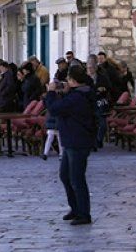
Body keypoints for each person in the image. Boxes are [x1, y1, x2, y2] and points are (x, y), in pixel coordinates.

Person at [45, 65, 95, 225]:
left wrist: (51, 92)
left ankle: (84, 213)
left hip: (78, 140)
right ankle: (75, 208)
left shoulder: (78, 97)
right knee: (65, 175)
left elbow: (54, 109)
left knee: (77, 178)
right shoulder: (76, 94)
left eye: (67, 79)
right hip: (71, 140)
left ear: (73, 80)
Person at [85, 61, 109, 149]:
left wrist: (104, 89)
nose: (90, 70)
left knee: (102, 123)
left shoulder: (102, 78)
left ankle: (99, 140)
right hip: (89, 104)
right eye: (88, 68)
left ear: (95, 69)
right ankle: (94, 143)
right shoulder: (85, 79)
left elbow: (109, 87)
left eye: (91, 68)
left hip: (100, 103)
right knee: (91, 124)